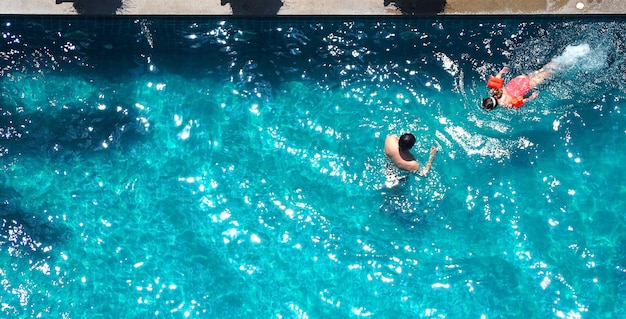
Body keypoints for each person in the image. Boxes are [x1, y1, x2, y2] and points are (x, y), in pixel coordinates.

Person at [482, 62, 556, 110]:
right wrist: (501, 72)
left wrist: (531, 97)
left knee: (546, 74)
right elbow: (497, 78)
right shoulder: (494, 91)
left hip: (524, 86)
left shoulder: (505, 104)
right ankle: (552, 63)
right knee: (538, 72)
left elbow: (520, 101)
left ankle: (559, 64)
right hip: (519, 79)